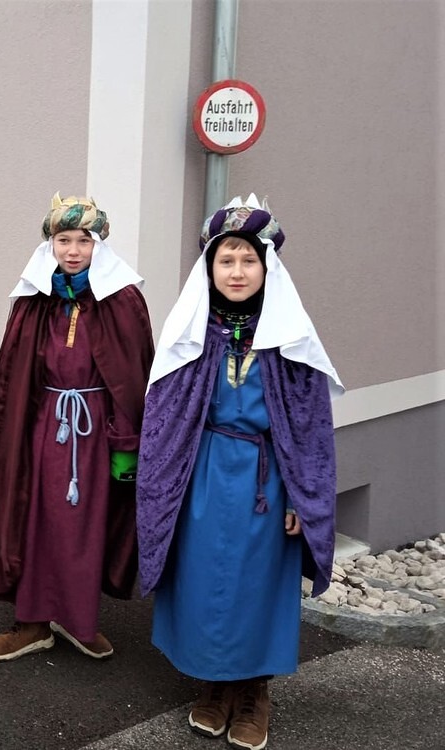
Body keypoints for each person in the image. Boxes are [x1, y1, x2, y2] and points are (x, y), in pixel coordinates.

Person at [136, 195, 342, 750]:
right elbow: (164, 415)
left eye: (248, 260)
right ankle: (213, 685)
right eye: (225, 260)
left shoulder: (290, 338)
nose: (236, 271)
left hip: (266, 482)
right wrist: (166, 483)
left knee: (257, 585)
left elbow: (311, 428)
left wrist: (302, 496)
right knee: (203, 581)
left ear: (267, 267)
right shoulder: (191, 333)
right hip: (201, 474)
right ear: (209, 268)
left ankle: (254, 693)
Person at [0, 194, 154, 661]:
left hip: (96, 433)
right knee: (34, 519)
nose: (73, 251)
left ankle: (78, 618)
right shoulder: (34, 299)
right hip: (42, 426)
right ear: (50, 244)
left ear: (99, 246)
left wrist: (125, 441)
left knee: (85, 525)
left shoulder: (123, 300)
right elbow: (14, 376)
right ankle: (33, 622)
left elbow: (133, 374)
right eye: (63, 240)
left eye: (83, 241)